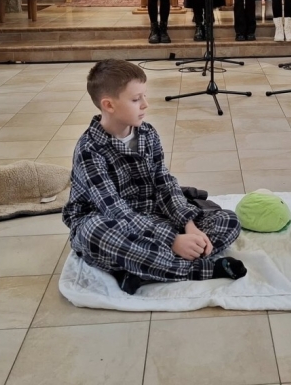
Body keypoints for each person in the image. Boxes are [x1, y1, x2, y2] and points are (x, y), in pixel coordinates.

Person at [63, 60, 246, 295]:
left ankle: (138, 269)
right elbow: (114, 210)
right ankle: (199, 269)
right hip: (111, 222)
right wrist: (173, 240)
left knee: (228, 219)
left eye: (144, 96)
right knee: (94, 232)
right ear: (108, 105)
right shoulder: (89, 149)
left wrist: (188, 227)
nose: (145, 104)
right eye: (136, 99)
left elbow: (164, 183)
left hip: (153, 216)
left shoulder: (148, 134)